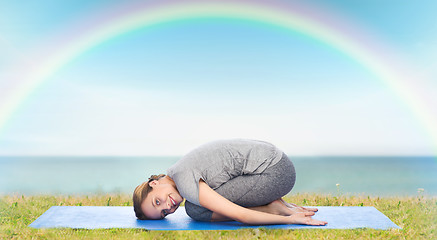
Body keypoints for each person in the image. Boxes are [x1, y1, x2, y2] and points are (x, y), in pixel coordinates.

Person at [133, 139, 327, 226]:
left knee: (195, 210)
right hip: (278, 163)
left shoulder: (185, 181)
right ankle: (276, 203)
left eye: (157, 202)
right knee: (199, 203)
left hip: (276, 174)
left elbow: (241, 216)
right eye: (164, 213)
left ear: (153, 184)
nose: (169, 207)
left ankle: (273, 207)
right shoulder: (177, 169)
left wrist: (289, 220)